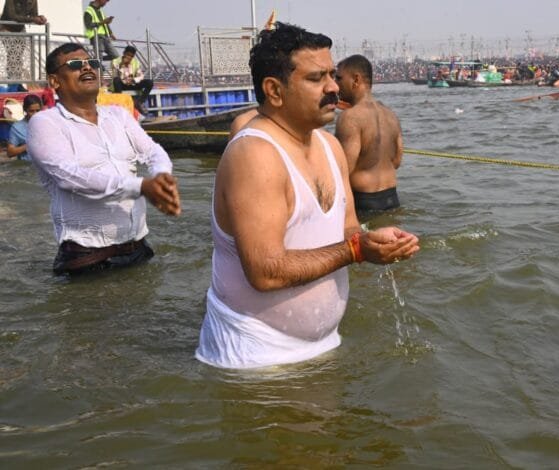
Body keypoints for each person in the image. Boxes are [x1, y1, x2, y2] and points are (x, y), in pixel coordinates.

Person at [195, 23, 420, 369]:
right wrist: (356, 251)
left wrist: (373, 241)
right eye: (316, 79)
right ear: (274, 90)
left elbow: (348, 230)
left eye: (332, 74)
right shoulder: (256, 154)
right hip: (256, 359)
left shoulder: (329, 146)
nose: (333, 87)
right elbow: (266, 271)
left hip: (320, 347)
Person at [27, 43, 181, 275]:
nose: (87, 68)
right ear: (55, 81)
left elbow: (153, 151)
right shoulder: (45, 123)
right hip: (88, 259)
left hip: (138, 248)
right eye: (76, 64)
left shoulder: (119, 116)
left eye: (93, 63)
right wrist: (141, 186)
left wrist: (161, 177)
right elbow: (70, 177)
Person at [335, 54, 404, 212]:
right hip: (392, 198)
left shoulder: (350, 117)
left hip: (363, 201)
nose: (335, 84)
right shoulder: (390, 114)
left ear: (356, 80)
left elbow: (344, 169)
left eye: (339, 78)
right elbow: (397, 161)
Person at [0, 0, 47, 81]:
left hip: (20, 28)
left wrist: (40, 18)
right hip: (5, 27)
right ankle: (12, 82)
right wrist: (33, 19)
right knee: (12, 55)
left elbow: (33, 15)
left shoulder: (33, 1)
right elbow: (12, 16)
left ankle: (17, 82)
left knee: (19, 56)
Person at [112, 45, 153, 114]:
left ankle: (140, 102)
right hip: (122, 84)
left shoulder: (136, 62)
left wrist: (134, 80)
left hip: (132, 83)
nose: (129, 57)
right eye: (128, 55)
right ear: (124, 53)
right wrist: (122, 64)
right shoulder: (115, 61)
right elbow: (115, 75)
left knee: (149, 82)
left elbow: (140, 76)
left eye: (131, 56)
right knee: (116, 80)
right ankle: (119, 102)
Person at [6, 94, 42, 161]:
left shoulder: (47, 124)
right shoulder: (17, 128)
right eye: (31, 111)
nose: (35, 114)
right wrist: (29, 145)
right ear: (25, 109)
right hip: (28, 166)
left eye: (38, 110)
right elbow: (10, 152)